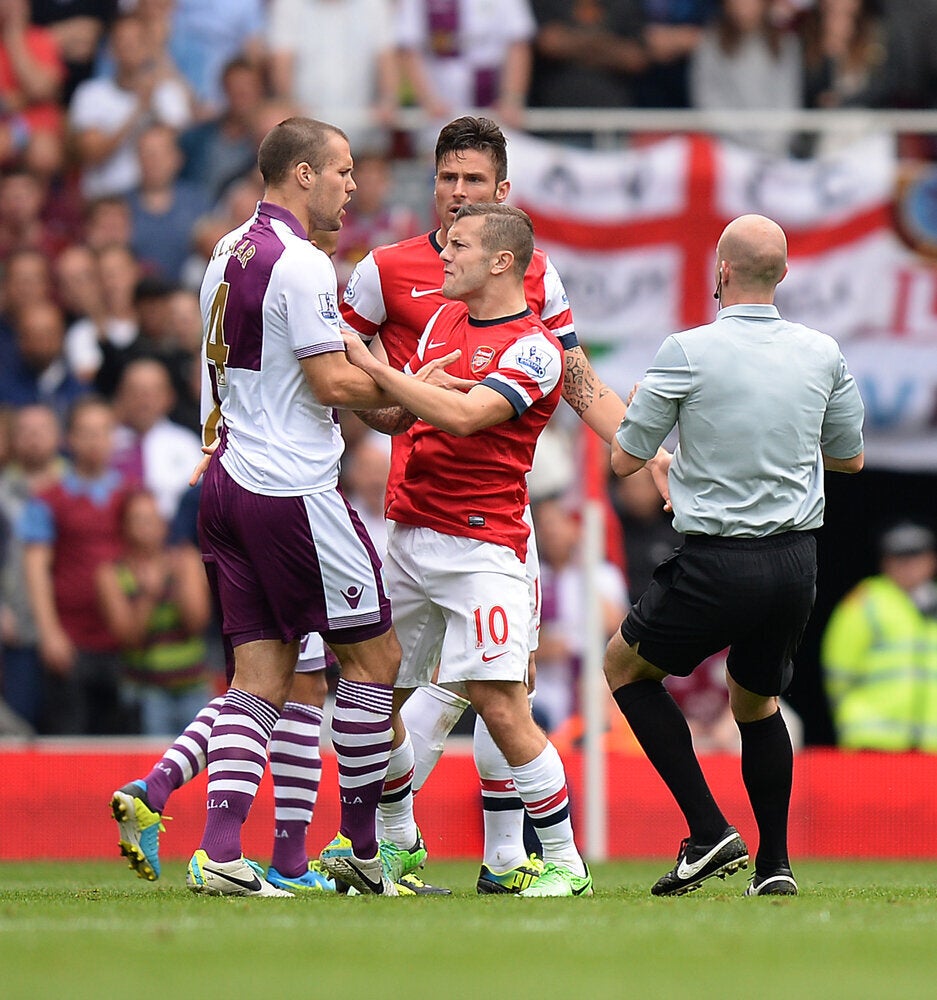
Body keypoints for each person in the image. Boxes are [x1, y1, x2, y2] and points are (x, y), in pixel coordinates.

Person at [341, 115, 626, 894]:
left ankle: (544, 860)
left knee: (504, 699)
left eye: (471, 193)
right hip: (405, 525)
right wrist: (397, 387)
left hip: (486, 542)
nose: (451, 215)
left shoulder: (534, 334)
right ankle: (395, 840)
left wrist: (639, 445)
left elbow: (488, 404)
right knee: (370, 698)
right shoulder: (421, 299)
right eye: (446, 182)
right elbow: (396, 409)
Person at [603, 213, 865, 898]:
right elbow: (849, 456)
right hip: (795, 564)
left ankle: (706, 828)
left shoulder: (687, 350)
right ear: (781, 275)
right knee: (755, 703)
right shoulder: (821, 352)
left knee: (623, 669)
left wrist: (649, 426)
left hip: (719, 559)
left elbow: (626, 457)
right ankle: (773, 865)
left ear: (720, 271)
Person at [184, 116, 413, 899]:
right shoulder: (303, 262)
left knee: (260, 675)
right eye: (342, 170)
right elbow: (331, 384)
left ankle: (220, 850)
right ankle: (356, 848)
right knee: (376, 659)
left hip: (224, 477)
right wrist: (418, 390)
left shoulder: (225, 250)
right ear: (303, 175)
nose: (353, 185)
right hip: (289, 488)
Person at [20, 396, 136, 734]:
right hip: (69, 638)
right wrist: (49, 632)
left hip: (120, 638)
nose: (95, 441)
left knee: (118, 736)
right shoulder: (47, 499)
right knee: (69, 733)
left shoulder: (131, 495)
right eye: (86, 433)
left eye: (103, 432)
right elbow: (36, 569)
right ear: (69, 439)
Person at [96, 489, 213, 736]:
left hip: (192, 687)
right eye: (138, 520)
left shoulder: (185, 561)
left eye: (152, 519)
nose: (146, 527)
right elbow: (128, 639)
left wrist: (181, 581)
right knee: (153, 766)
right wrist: (148, 597)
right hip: (144, 693)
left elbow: (198, 622)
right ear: (124, 527)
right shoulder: (112, 574)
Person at [822, 521, 937, 751]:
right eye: (900, 558)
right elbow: (837, 671)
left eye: (916, 556)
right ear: (885, 563)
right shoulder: (865, 601)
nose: (909, 566)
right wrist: (849, 714)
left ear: (931, 560)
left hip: (930, 745)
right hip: (873, 740)